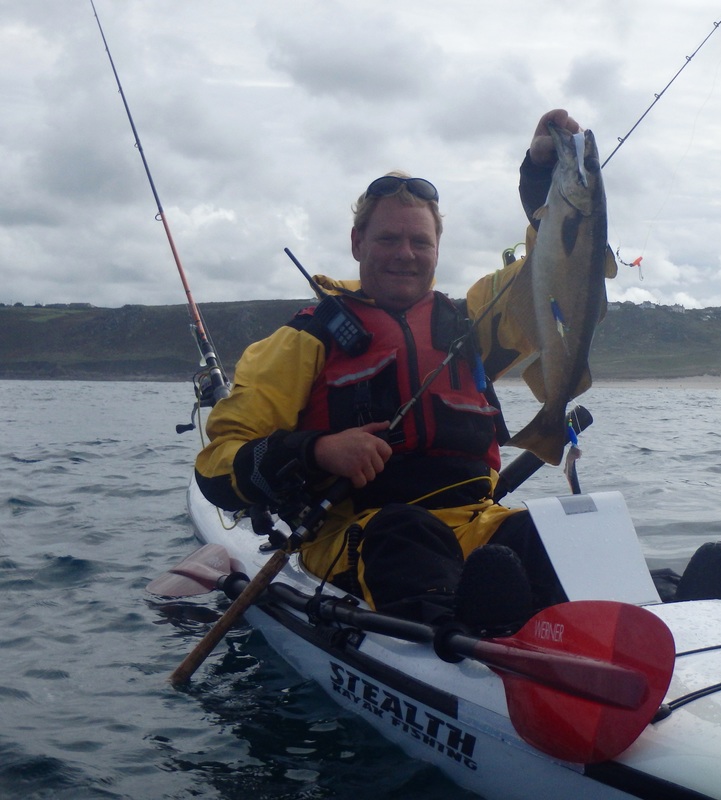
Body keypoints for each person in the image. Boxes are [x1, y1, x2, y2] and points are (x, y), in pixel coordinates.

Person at [194, 110, 587, 634]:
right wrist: (316, 450)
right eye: (388, 240)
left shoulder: (472, 322)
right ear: (358, 243)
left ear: (437, 250)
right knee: (404, 535)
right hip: (358, 537)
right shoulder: (303, 341)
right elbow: (216, 468)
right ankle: (487, 644)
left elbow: (553, 270)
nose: (406, 254)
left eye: (420, 242)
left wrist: (542, 174)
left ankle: (676, 612)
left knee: (561, 536)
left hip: (477, 526)